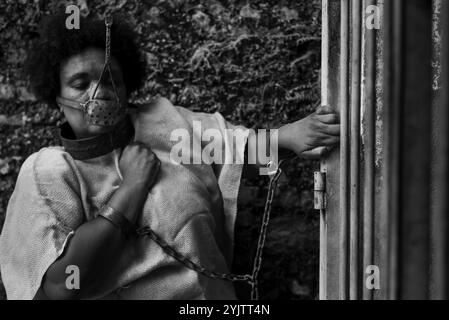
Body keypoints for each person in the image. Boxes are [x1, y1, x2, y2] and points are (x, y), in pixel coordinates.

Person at [0, 14, 340, 300]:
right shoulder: (48, 172)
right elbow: (59, 286)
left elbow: (234, 151)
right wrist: (132, 189)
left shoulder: (164, 123)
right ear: (57, 97)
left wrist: (289, 139)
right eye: (79, 83)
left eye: (111, 80)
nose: (99, 93)